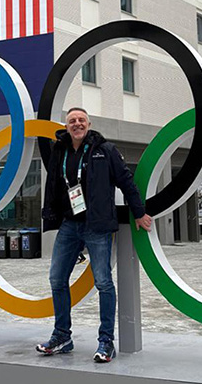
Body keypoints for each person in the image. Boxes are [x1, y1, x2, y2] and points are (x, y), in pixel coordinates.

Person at [35, 107, 152, 363]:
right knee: (56, 279)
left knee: (103, 282)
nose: (77, 124)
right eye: (72, 121)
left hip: (96, 226)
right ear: (67, 126)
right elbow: (53, 185)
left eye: (81, 120)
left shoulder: (105, 150)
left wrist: (139, 212)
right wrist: (50, 215)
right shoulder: (60, 150)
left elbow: (126, 181)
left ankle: (106, 341)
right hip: (69, 224)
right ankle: (62, 336)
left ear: (89, 124)